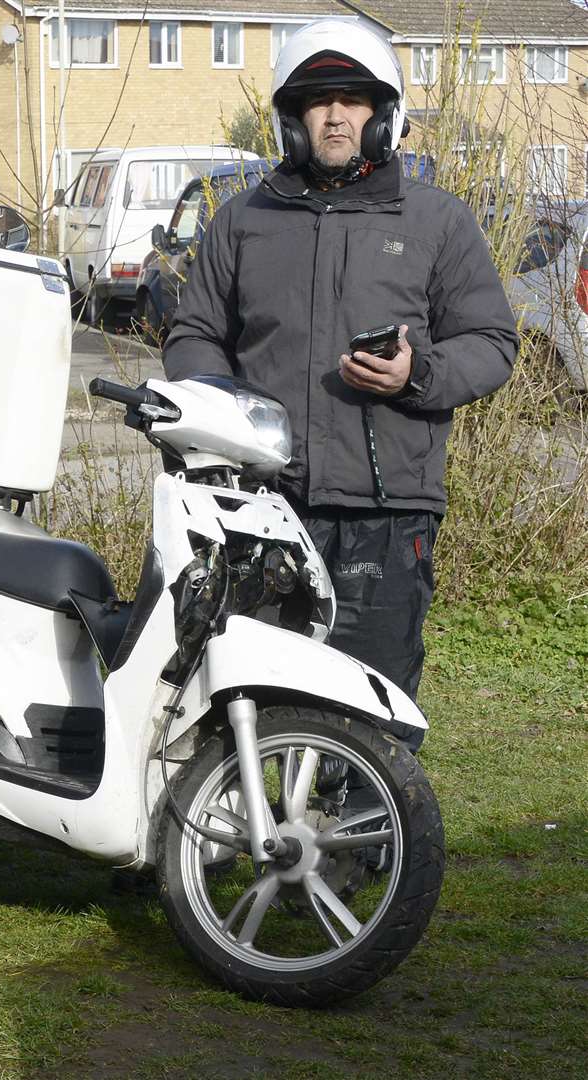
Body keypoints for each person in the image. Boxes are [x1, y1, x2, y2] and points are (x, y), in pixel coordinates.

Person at [164, 18, 517, 747]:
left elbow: (492, 343)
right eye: (318, 101)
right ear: (291, 120)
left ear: (382, 115)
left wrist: (416, 374)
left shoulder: (437, 222)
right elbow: (194, 333)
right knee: (230, 701)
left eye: (352, 100)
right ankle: (218, 844)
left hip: (385, 516)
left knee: (371, 711)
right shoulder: (241, 221)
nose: (334, 115)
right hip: (260, 502)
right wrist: (221, 411)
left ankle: (360, 858)